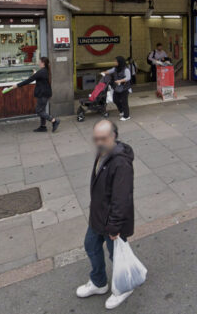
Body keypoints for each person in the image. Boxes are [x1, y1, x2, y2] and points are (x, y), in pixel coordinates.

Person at [76, 119, 136, 309]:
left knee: (116, 256)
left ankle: (124, 287)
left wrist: (114, 226)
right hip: (98, 216)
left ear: (114, 137)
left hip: (112, 222)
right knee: (91, 246)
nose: (98, 142)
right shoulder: (103, 153)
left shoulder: (121, 164)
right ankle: (99, 282)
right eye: (96, 138)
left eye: (103, 138)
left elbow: (122, 198)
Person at [8, 57, 59, 132]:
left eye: (39, 62)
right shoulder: (45, 71)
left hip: (43, 94)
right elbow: (39, 77)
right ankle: (43, 126)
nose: (38, 63)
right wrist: (36, 74)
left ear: (43, 63)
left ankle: (54, 121)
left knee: (39, 111)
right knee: (42, 110)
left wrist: (17, 85)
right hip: (46, 93)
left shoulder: (41, 72)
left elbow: (29, 80)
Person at [110, 57, 133, 122]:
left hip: (125, 88)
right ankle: (122, 110)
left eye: (116, 61)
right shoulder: (115, 68)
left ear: (120, 62)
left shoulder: (126, 69)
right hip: (117, 87)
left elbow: (128, 78)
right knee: (115, 100)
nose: (115, 63)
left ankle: (126, 116)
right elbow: (110, 72)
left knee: (124, 102)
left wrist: (120, 81)